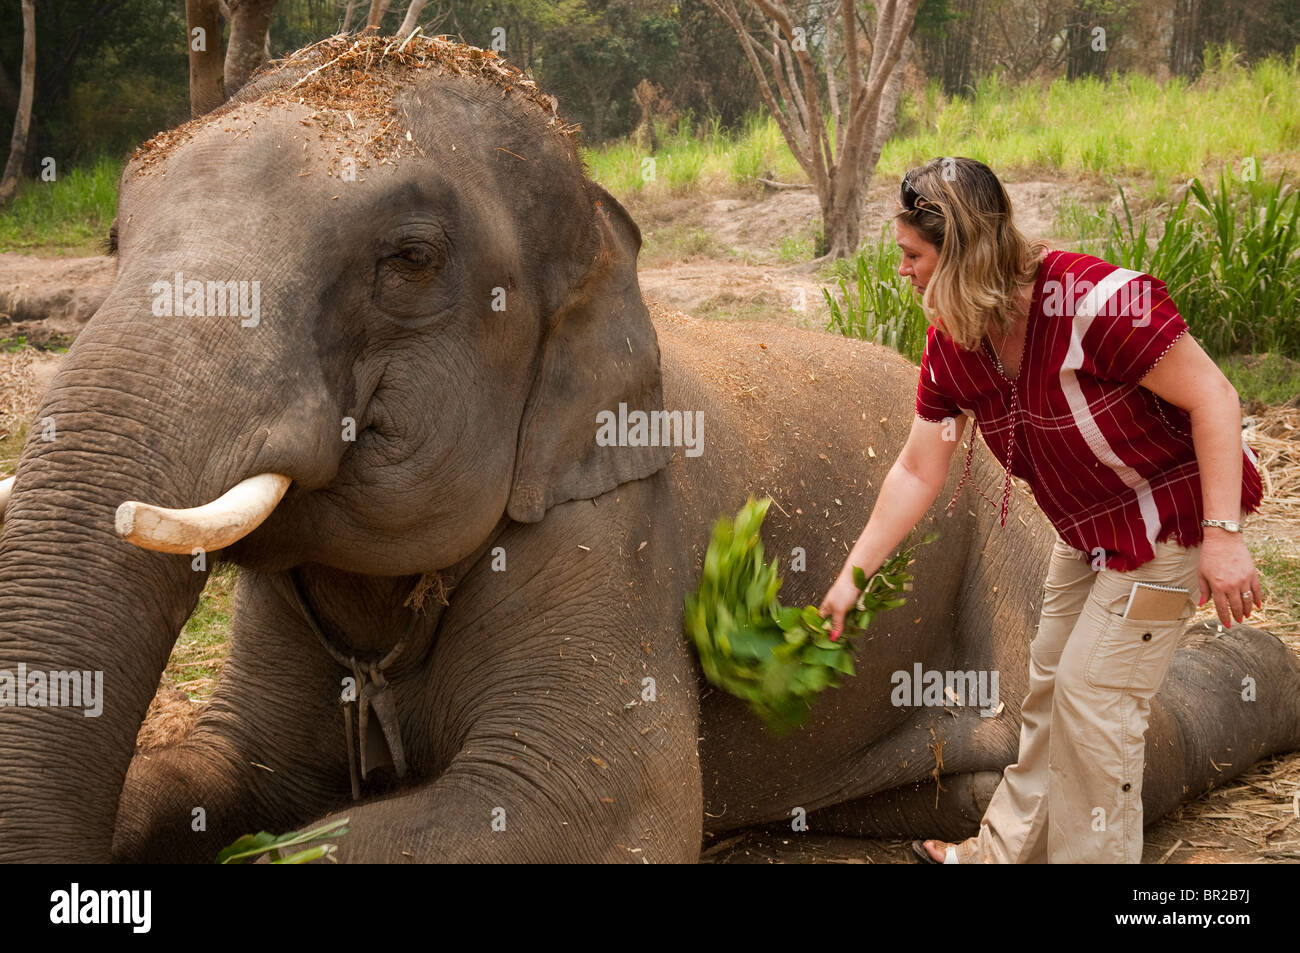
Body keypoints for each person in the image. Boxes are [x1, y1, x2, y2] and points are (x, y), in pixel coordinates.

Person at [817, 156, 1264, 864]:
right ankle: (1003, 854)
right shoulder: (957, 342)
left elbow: (1215, 398)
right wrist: (852, 575)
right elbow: (915, 467)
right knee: (1052, 685)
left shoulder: (1097, 304)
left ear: (961, 254)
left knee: (1095, 703)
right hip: (1089, 532)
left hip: (1170, 516)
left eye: (912, 254)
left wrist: (1224, 537)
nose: (901, 269)